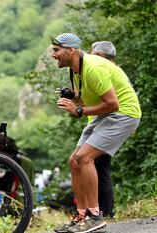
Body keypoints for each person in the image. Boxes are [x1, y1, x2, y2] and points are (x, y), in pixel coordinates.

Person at [51, 33, 141, 233]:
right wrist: (74, 98)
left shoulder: (93, 68)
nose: (52, 55)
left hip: (124, 113)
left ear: (71, 50)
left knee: (84, 158)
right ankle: (81, 215)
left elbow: (113, 104)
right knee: (74, 160)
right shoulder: (75, 70)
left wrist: (79, 111)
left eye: (56, 50)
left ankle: (95, 216)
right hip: (107, 114)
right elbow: (87, 101)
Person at [91, 41, 119, 217]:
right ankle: (103, 210)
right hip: (103, 124)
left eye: (92, 54)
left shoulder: (106, 71)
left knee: (100, 166)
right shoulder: (113, 70)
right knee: (99, 166)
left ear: (100, 56)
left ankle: (105, 211)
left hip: (110, 124)